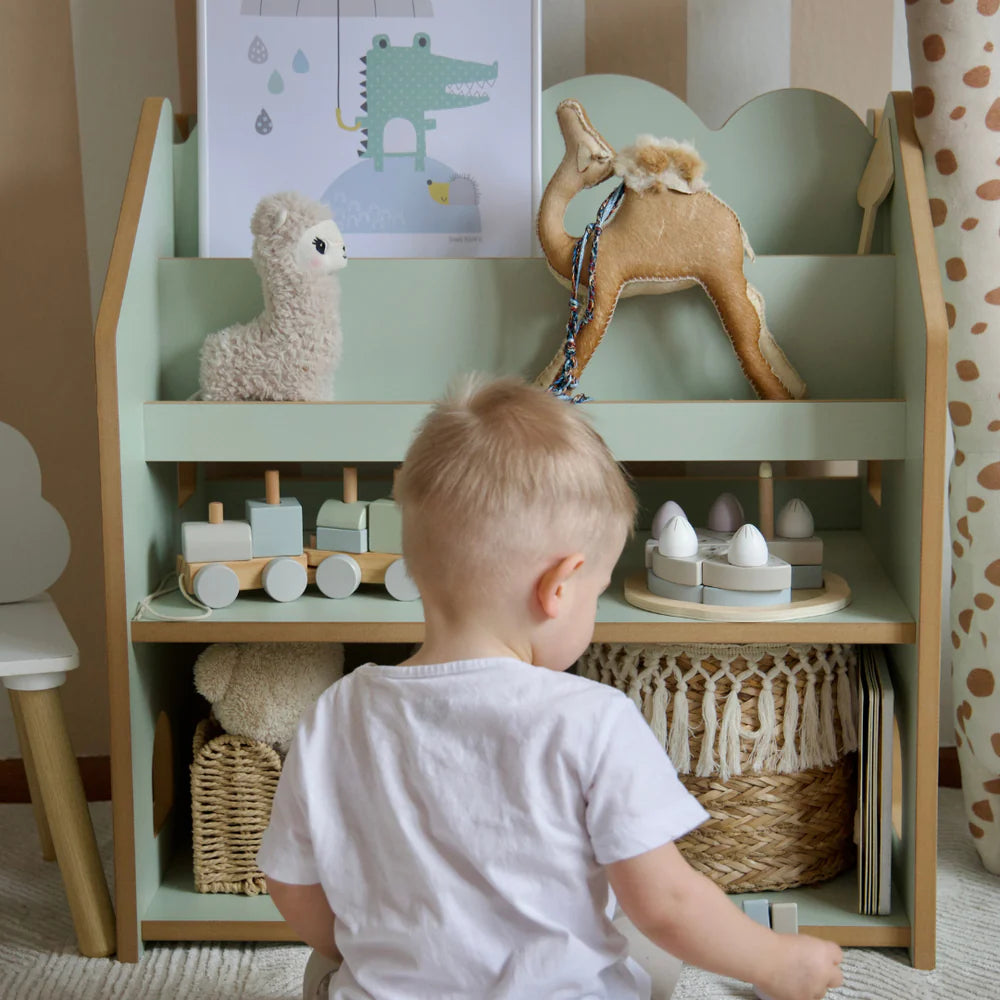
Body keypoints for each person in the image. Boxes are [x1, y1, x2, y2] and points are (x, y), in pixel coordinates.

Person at [257, 376, 844, 1000]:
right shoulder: (595, 719)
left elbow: (291, 886)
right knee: (649, 952)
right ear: (559, 588)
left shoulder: (337, 712)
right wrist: (778, 962)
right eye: (595, 594)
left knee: (324, 971)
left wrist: (371, 950)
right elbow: (669, 904)